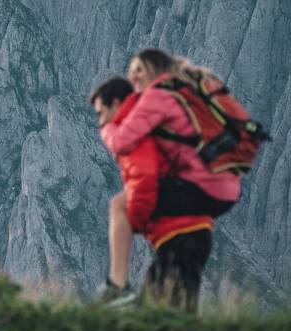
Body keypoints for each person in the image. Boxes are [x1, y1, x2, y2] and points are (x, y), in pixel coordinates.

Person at [91, 76, 214, 311]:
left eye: (101, 112)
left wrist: (136, 220)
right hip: (184, 236)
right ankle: (118, 287)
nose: (101, 122)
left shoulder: (134, 130)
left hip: (182, 237)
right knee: (160, 314)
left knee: (167, 321)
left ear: (117, 104)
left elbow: (145, 181)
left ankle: (116, 286)